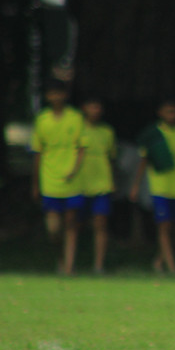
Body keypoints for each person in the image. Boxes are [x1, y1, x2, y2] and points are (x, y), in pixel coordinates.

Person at [130, 99, 175, 274]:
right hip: (159, 187)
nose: (172, 115)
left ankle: (158, 261)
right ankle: (172, 268)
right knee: (163, 226)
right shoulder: (152, 134)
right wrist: (136, 186)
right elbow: (143, 161)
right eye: (168, 111)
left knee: (174, 227)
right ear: (160, 113)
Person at [30, 79, 86, 275]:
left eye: (59, 93)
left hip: (72, 181)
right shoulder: (42, 119)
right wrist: (35, 183)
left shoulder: (76, 117)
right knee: (54, 229)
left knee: (71, 224)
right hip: (50, 180)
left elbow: (81, 148)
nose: (57, 97)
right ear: (48, 96)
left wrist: (74, 170)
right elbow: (37, 152)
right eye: (53, 93)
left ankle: (69, 266)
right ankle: (60, 258)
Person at [79, 96, 117, 274]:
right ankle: (68, 262)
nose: (95, 111)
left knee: (100, 225)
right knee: (73, 225)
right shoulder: (77, 129)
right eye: (92, 106)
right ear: (84, 108)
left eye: (98, 107)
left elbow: (112, 159)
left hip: (102, 184)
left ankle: (98, 265)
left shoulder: (107, 132)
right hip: (79, 184)